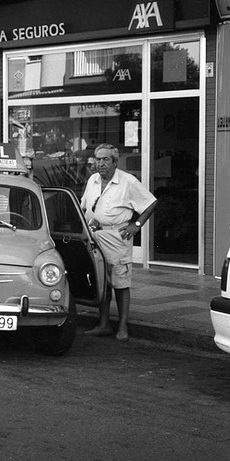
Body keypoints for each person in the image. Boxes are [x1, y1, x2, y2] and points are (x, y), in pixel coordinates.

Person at [81, 143, 157, 342]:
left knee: (120, 284)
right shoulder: (93, 180)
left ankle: (123, 327)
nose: (101, 164)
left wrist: (136, 225)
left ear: (115, 162)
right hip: (95, 236)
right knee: (102, 283)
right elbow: (84, 206)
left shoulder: (128, 182)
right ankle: (104, 324)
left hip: (117, 238)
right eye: (98, 159)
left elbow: (150, 203)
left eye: (106, 159)